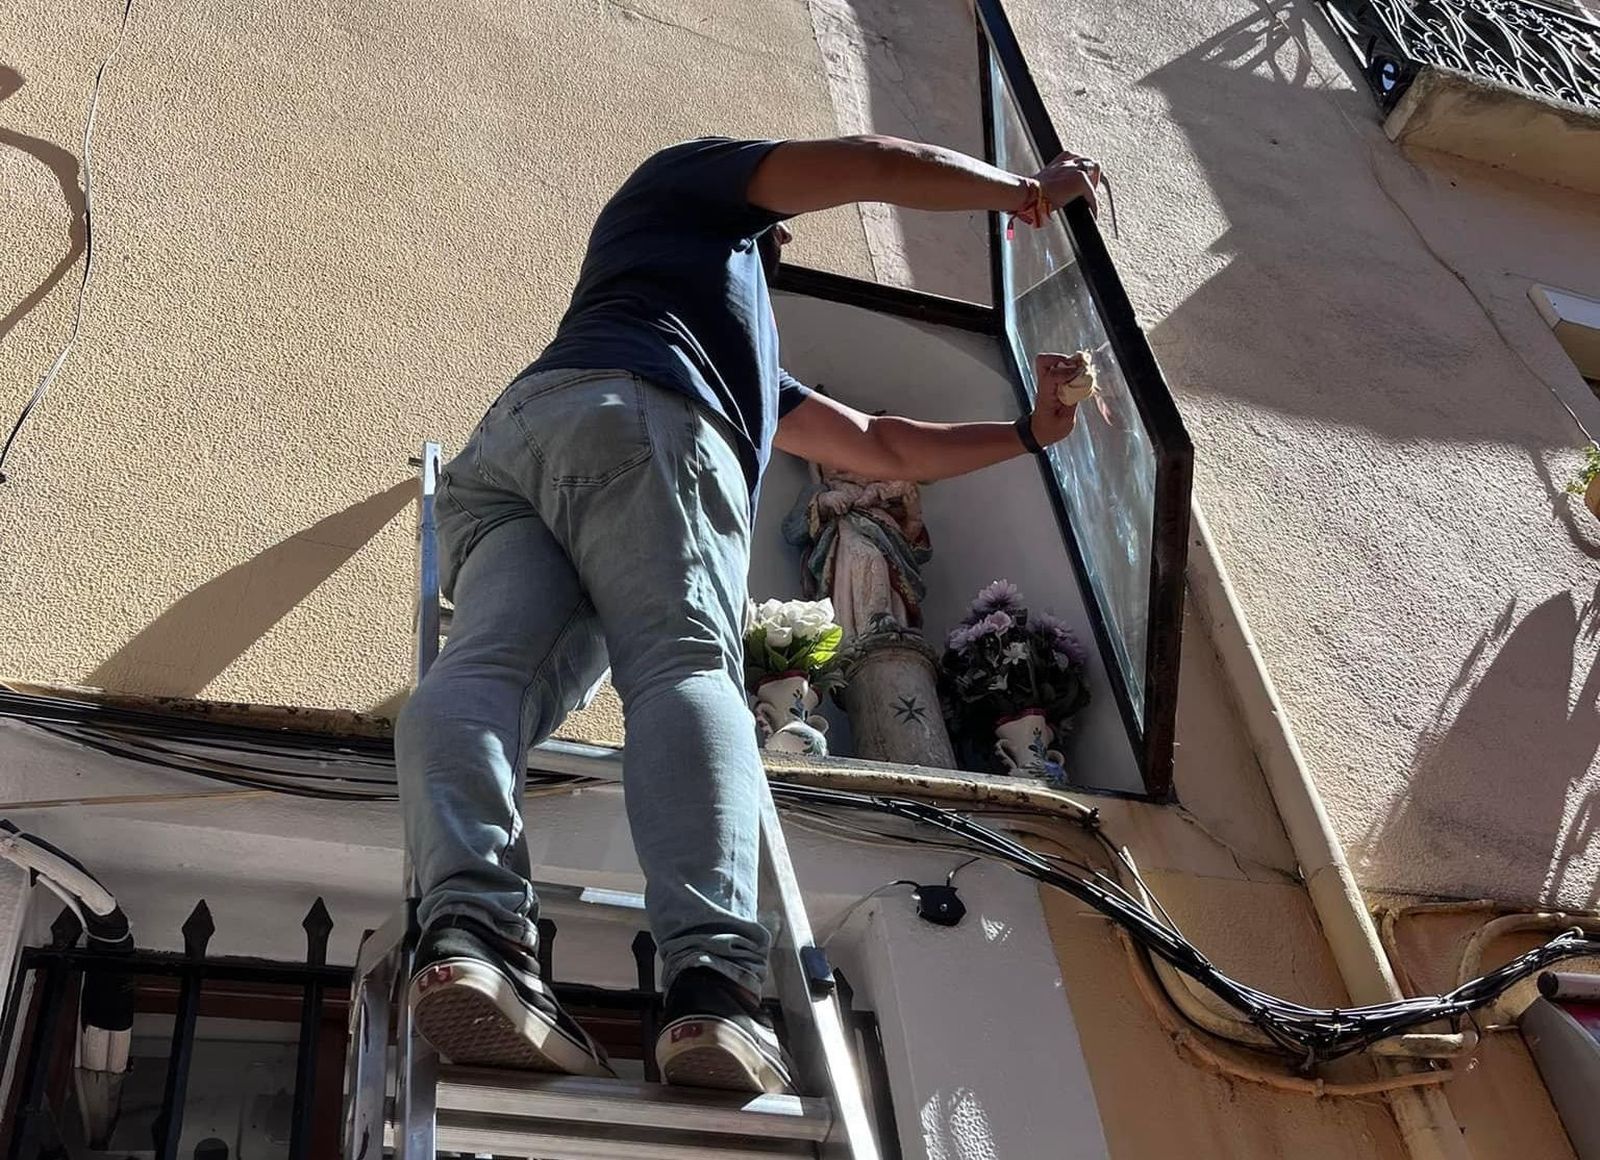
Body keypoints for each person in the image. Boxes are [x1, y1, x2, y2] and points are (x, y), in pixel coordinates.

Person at [394, 134, 1101, 1094]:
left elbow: (881, 444)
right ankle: (714, 983)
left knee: (484, 668)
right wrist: (1024, 190)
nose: (783, 244)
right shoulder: (692, 189)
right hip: (643, 417)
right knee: (682, 668)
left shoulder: (749, 366)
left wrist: (1029, 432)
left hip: (520, 445)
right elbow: (870, 160)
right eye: (778, 236)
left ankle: (472, 934)